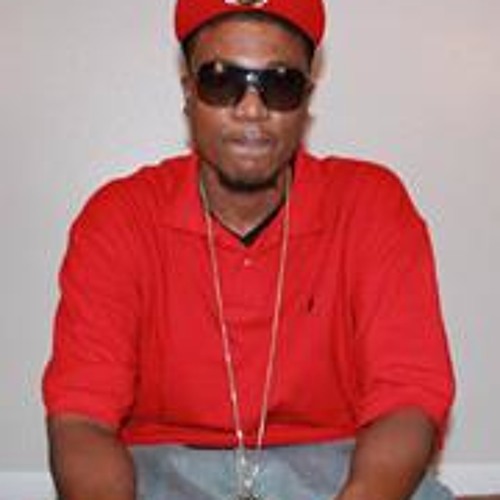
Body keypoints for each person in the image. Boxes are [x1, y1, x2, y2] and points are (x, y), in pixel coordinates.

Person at [42, 0, 456, 499]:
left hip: (343, 470)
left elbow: (408, 400)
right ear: (189, 92)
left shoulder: (370, 206)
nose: (252, 109)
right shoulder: (119, 218)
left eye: (279, 84)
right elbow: (82, 418)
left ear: (306, 98)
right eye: (221, 81)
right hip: (161, 473)